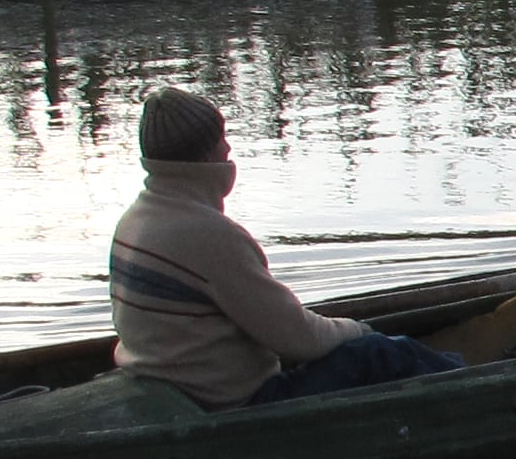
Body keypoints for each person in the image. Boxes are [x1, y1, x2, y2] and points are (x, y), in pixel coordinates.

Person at [107, 89, 462, 407]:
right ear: (206, 154)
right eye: (221, 138)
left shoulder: (136, 219)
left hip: (173, 385)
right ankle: (474, 380)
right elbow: (300, 341)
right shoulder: (208, 234)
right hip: (235, 401)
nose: (228, 148)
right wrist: (360, 330)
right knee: (381, 353)